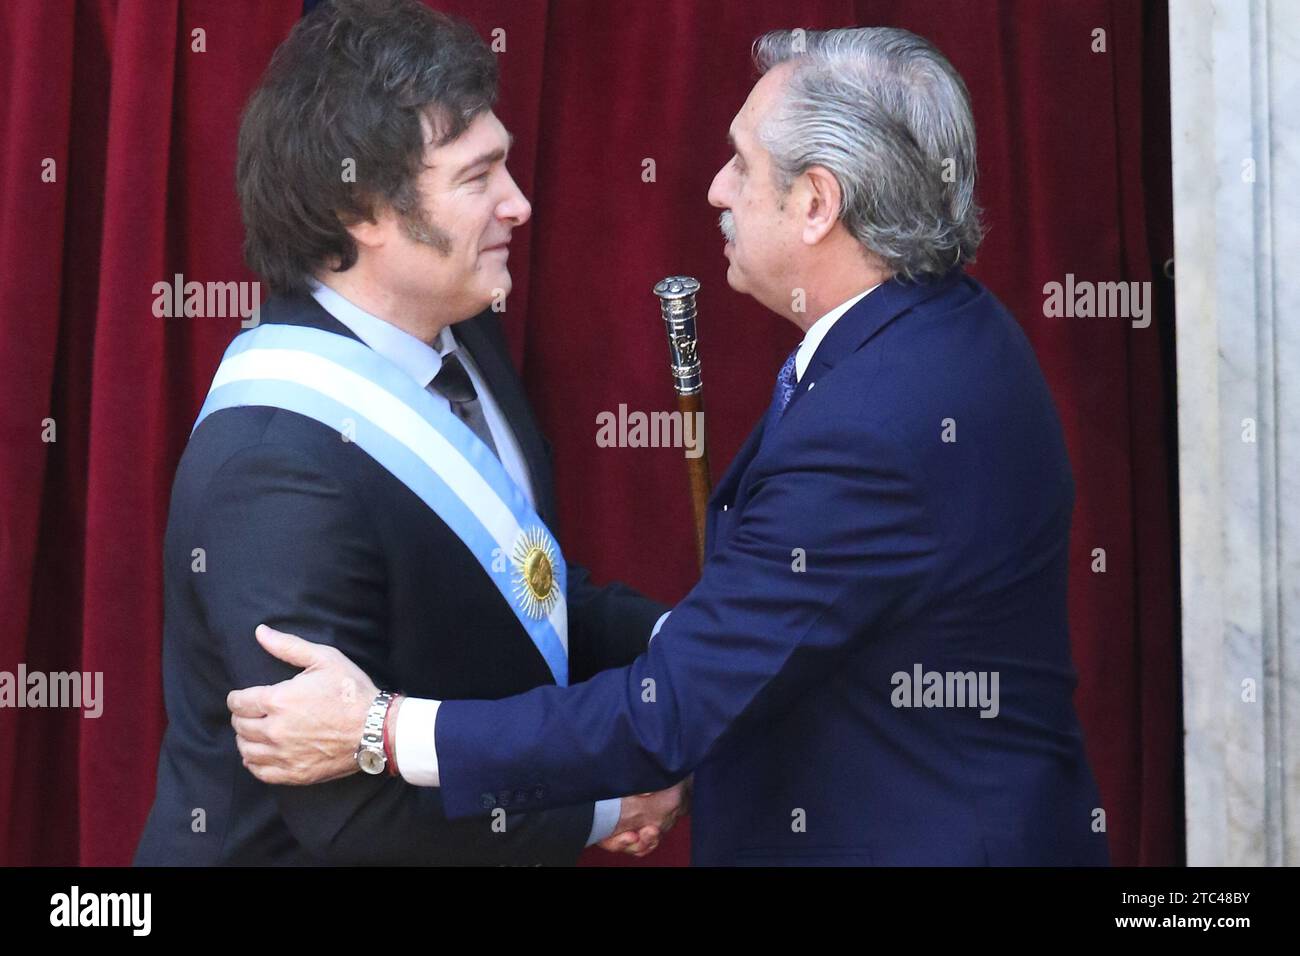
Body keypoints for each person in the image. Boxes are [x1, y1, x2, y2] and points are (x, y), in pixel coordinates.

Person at [229, 26, 1111, 866]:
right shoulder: (945, 330)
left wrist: (380, 732)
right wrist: (686, 641)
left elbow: (669, 716)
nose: (717, 189)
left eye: (742, 164)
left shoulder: (877, 423)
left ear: (815, 204)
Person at [134, 0, 685, 866]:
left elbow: (521, 588)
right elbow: (347, 814)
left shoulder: (469, 335)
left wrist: (692, 647)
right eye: (479, 178)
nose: (520, 204)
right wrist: (604, 807)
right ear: (363, 209)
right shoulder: (274, 465)